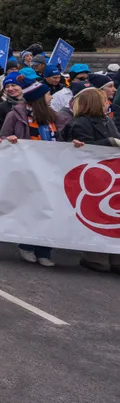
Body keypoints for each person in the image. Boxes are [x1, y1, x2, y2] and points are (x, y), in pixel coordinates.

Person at [0, 82, 71, 267]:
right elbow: (3, 136)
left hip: (51, 169)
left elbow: (63, 139)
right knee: (32, 209)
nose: (52, 97)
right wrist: (10, 140)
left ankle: (44, 250)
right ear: (39, 98)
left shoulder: (54, 117)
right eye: (48, 94)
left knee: (49, 209)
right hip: (27, 170)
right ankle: (27, 245)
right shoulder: (14, 115)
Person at [62, 88, 120, 272]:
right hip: (92, 177)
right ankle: (96, 256)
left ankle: (114, 256)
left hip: (109, 175)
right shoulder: (79, 124)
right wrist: (109, 142)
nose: (107, 103)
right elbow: (85, 149)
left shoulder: (107, 121)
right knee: (97, 214)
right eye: (103, 100)